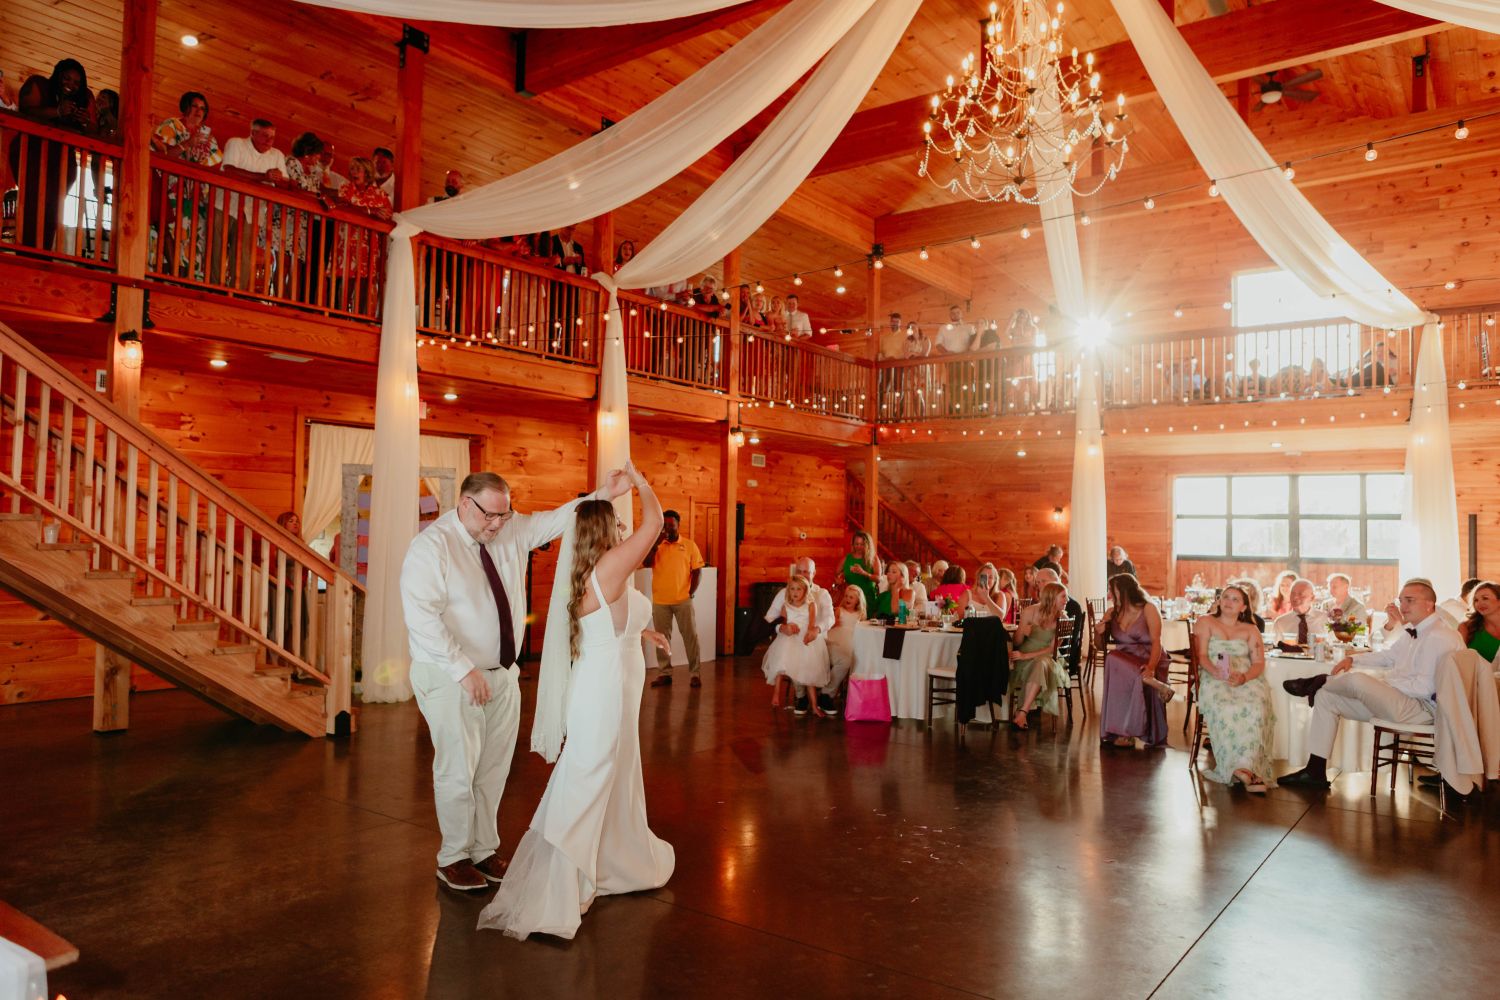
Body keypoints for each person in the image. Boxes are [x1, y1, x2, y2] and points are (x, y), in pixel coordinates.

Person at [400, 468, 632, 893]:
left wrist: (606, 492)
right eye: (489, 515)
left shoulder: (510, 530)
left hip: (502, 673)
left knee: (493, 769)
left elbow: (560, 518)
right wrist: (463, 670)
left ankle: (483, 849)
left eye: (504, 515)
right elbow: (422, 619)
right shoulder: (432, 547)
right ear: (465, 503)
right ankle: (453, 857)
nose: (497, 524)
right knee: (458, 769)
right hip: (451, 674)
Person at [477, 463, 674, 939]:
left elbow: (607, 625)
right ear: (603, 531)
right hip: (604, 692)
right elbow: (655, 523)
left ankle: (609, 861)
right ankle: (559, 890)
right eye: (617, 523)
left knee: (612, 771)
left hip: (613, 687)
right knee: (590, 776)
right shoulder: (609, 568)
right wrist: (641, 481)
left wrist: (642, 631)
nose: (624, 528)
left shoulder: (599, 571)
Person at [1280, 579, 1464, 790]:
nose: (1403, 606)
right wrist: (1353, 660)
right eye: (1401, 600)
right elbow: (1387, 657)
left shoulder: (1439, 637)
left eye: (1410, 600)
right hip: (1399, 704)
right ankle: (1314, 772)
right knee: (1326, 697)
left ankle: (1319, 681)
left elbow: (1424, 689)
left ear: (1429, 604)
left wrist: (1382, 685)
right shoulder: (1414, 631)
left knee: (1358, 681)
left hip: (1423, 709)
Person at [1194, 584, 1275, 792]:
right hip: (1214, 674)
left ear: (1244, 607)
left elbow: (1259, 662)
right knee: (1227, 706)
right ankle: (1235, 766)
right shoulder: (1206, 622)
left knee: (1255, 706)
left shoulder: (1251, 629)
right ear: (1219, 601)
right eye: (1226, 597)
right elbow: (1201, 656)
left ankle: (1247, 765)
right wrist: (1216, 672)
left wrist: (1244, 677)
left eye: (1235, 599)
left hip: (1245, 676)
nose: (1229, 602)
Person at [8, 58, 94, 251]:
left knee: (53, 208)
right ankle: (26, 253)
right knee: (32, 203)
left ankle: (43, 253)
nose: (71, 84)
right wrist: (57, 111)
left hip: (62, 160)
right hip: (32, 152)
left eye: (76, 82)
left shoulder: (83, 98)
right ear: (58, 75)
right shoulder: (39, 84)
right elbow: (27, 110)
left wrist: (84, 121)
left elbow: (93, 130)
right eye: (66, 78)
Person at [1097, 573, 1172, 749]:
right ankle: (1152, 685)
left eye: (1112, 590)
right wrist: (1098, 632)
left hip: (1150, 657)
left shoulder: (1148, 609)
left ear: (1124, 591)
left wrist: (1151, 668)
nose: (1109, 594)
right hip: (1125, 659)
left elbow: (1157, 642)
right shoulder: (1112, 613)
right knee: (1112, 658)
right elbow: (1100, 647)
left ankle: (1127, 732)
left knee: (1114, 660)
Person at [646, 509, 705, 689]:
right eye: (665, 526)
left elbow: (697, 571)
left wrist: (690, 592)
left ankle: (695, 674)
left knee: (690, 637)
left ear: (678, 525)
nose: (668, 529)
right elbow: (646, 563)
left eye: (671, 525)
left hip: (682, 601)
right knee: (661, 639)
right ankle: (665, 673)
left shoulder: (689, 545)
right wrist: (655, 543)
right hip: (660, 601)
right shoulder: (656, 545)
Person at [761, 575, 831, 717]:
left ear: (805, 591)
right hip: (789, 638)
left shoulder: (811, 605)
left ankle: (814, 706)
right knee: (780, 662)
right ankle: (776, 694)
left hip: (805, 639)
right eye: (792, 589)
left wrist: (808, 637)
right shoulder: (786, 606)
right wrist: (787, 627)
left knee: (809, 674)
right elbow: (782, 623)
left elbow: (811, 625)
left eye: (799, 589)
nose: (795, 592)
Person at [332, 157, 392, 312]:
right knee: (346, 281)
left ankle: (359, 316)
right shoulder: (345, 188)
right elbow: (344, 206)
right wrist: (370, 211)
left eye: (358, 169)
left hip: (368, 245)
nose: (354, 172)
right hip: (347, 242)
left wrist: (375, 214)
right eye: (352, 169)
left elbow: (388, 215)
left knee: (365, 283)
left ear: (367, 172)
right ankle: (340, 316)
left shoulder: (380, 194)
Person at [1009, 582, 1069, 729]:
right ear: (1052, 597)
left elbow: (1052, 649)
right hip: (1024, 657)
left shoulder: (1063, 618)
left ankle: (1022, 712)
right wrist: (1022, 631)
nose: (1067, 600)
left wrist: (1025, 656)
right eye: (1063, 596)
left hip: (1048, 658)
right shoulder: (1029, 611)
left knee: (1040, 663)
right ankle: (1022, 714)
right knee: (1038, 664)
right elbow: (1017, 642)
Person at [825, 584, 866, 706]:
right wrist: (834, 623)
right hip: (838, 638)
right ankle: (827, 691)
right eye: (846, 596)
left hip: (854, 640)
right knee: (844, 659)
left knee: (857, 659)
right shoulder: (839, 610)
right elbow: (831, 625)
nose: (848, 599)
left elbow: (862, 629)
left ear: (858, 601)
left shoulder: (860, 613)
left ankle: (853, 692)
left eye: (851, 597)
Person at [1271, 578, 1328, 651]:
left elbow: (1333, 646)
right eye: (1293, 593)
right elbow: (1275, 649)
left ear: (1312, 598)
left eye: (1301, 594)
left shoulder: (1324, 619)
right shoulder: (1280, 622)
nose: (1295, 597)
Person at [1458, 581, 1500, 664]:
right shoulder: (1465, 627)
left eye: (1485, 598)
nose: (1479, 603)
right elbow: (1459, 661)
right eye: (1476, 600)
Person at [841, 531, 881, 613]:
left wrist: (864, 573)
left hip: (868, 599)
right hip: (850, 599)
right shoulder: (848, 558)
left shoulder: (873, 558)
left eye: (862, 544)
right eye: (856, 544)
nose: (859, 547)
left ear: (867, 545)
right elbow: (836, 574)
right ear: (853, 544)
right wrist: (840, 579)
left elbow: (878, 579)